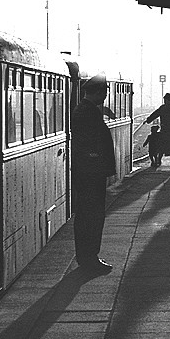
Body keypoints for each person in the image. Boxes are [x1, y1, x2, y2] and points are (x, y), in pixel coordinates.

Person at [71, 73, 116, 273]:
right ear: (99, 92)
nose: (105, 96)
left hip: (89, 173)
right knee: (91, 216)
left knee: (90, 215)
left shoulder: (86, 110)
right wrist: (97, 161)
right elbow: (90, 145)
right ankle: (89, 258)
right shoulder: (86, 113)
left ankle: (89, 256)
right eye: (104, 92)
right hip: (90, 174)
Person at [146, 93, 170, 167]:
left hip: (166, 129)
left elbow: (155, 114)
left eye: (165, 99)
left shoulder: (163, 108)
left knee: (162, 145)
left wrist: (148, 120)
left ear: (167, 100)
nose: (164, 101)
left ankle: (159, 160)